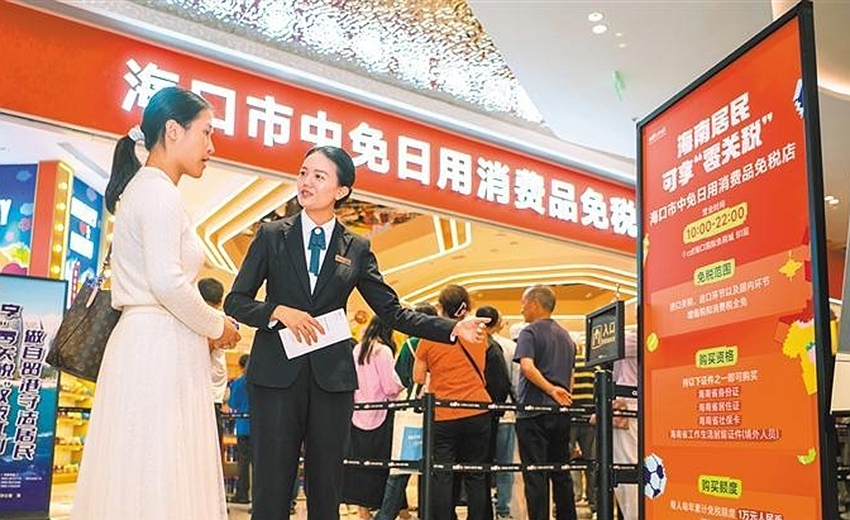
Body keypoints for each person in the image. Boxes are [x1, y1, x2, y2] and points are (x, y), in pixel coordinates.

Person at [223, 145, 488, 520]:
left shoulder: (357, 247)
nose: (306, 182)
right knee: (271, 487)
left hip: (331, 383)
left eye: (319, 176)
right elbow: (235, 302)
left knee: (327, 487)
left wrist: (452, 327)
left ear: (341, 190)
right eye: (303, 172)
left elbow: (392, 311)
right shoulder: (271, 235)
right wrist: (277, 311)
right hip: (276, 378)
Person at [71, 86, 241, 520]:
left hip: (150, 344)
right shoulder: (158, 192)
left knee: (143, 466)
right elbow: (168, 282)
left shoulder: (145, 190)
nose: (211, 146)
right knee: (159, 465)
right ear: (173, 130)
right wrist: (217, 325)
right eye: (206, 132)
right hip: (158, 347)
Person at [413, 285, 492, 520]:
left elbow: (418, 376)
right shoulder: (479, 333)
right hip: (478, 408)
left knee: (442, 473)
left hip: (444, 412)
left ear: (441, 307)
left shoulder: (430, 335)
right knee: (476, 473)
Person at [514, 285, 578, 520]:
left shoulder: (529, 332)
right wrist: (562, 395)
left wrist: (550, 389)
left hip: (533, 412)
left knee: (536, 474)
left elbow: (527, 366)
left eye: (523, 304)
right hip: (560, 412)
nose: (521, 309)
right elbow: (571, 376)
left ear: (534, 304)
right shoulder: (566, 337)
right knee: (561, 472)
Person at [375, 302, 438, 520]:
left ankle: (385, 515)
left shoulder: (411, 344)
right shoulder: (442, 341)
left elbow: (400, 379)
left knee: (401, 467)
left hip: (413, 411)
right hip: (440, 409)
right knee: (433, 468)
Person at [342, 315, 405, 518]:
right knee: (382, 464)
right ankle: (383, 506)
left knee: (360, 462)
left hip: (357, 412)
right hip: (381, 413)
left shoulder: (358, 349)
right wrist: (401, 386)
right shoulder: (383, 350)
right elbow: (389, 386)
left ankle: (362, 508)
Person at [475, 305, 518, 520]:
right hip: (506, 411)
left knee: (481, 464)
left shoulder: (472, 343)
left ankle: (483, 508)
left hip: (479, 413)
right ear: (498, 322)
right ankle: (503, 509)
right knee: (505, 464)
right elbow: (515, 381)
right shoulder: (510, 346)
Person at [199, 277, 228, 447]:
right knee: (211, 448)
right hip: (212, 393)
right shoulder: (221, 319)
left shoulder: (202, 317)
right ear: (220, 301)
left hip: (204, 392)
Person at [612, 330, 638, 520]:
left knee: (627, 469)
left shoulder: (632, 338)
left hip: (629, 410)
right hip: (628, 409)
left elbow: (606, 347)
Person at [228, 354, 252, 505]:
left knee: (243, 463)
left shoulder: (238, 383)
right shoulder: (258, 381)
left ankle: (242, 494)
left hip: (243, 427)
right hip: (259, 427)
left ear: (241, 367)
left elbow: (232, 403)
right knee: (259, 464)